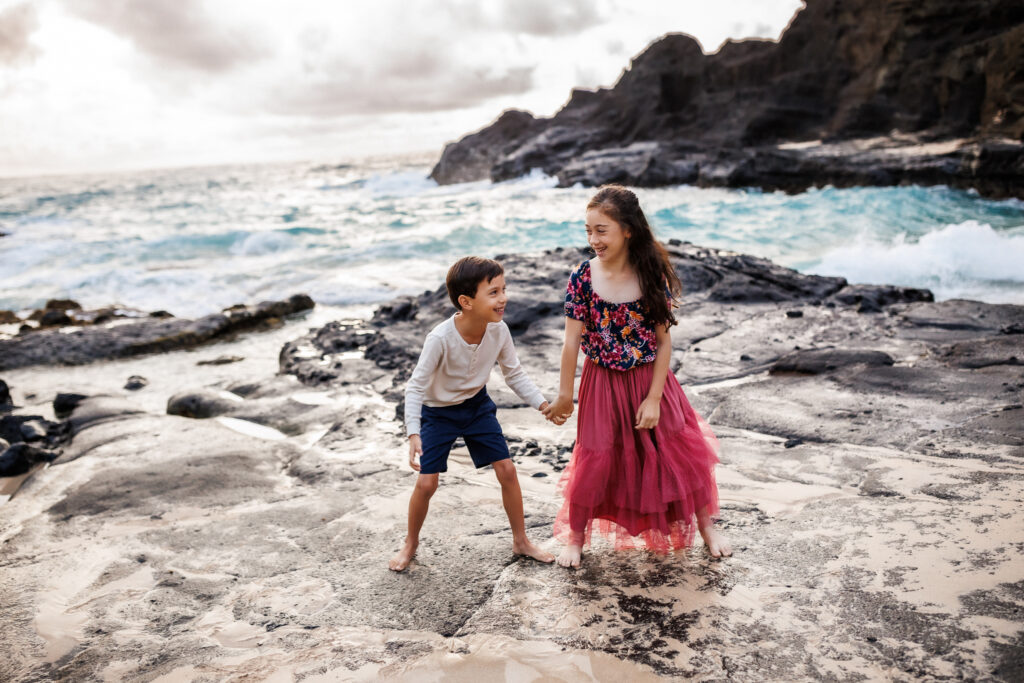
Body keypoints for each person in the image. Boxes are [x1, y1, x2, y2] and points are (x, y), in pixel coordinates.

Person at [545, 185, 732, 568]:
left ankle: (707, 525)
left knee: (675, 452)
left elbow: (664, 343)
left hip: (650, 382)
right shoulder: (583, 276)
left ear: (627, 229)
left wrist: (653, 398)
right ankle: (576, 537)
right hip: (601, 384)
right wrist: (566, 395)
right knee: (595, 456)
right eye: (588, 231)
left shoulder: (651, 275)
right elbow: (570, 343)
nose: (593, 239)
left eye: (602, 230)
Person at [389, 256, 556, 571]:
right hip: (437, 413)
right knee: (427, 484)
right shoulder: (440, 338)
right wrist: (413, 433)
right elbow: (414, 388)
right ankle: (410, 543)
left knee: (506, 469)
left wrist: (542, 404)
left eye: (503, 289)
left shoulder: (499, 330)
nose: (503, 298)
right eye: (493, 292)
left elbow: (514, 374)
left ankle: (521, 541)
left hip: (477, 406)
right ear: (466, 302)